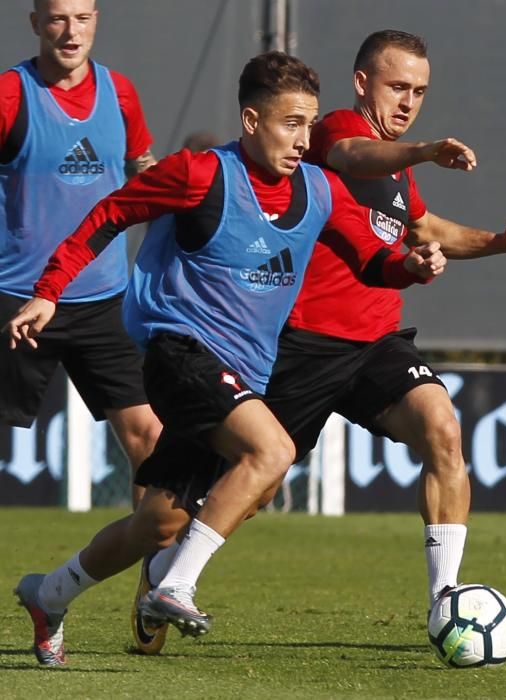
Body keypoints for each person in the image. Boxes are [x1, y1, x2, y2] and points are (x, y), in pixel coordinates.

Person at [5, 50, 447, 667]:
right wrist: (49, 292)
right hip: (177, 349)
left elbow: (373, 260)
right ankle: (174, 586)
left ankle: (49, 594)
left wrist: (412, 265)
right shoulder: (199, 174)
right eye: (290, 124)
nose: (304, 139)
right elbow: (110, 213)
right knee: (272, 451)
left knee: (156, 523)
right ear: (250, 119)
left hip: (245, 371)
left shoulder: (318, 188)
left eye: (311, 124)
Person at [125, 31, 506, 656]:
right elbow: (352, 155)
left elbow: (424, 227)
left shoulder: (398, 163)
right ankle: (165, 577)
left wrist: (500, 241)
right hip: (302, 345)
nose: (407, 102)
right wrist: (427, 150)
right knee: (251, 488)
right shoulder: (331, 132)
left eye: (420, 92)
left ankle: (446, 606)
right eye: (397, 87)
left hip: (376, 341)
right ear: (361, 82)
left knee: (443, 428)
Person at [0, 0, 162, 504]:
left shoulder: (121, 93)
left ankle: (154, 585)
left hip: (104, 299)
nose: (71, 32)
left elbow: (143, 169)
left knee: (152, 442)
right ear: (35, 24)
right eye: (57, 19)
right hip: (18, 299)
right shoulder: (9, 94)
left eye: (83, 18)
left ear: (96, 20)